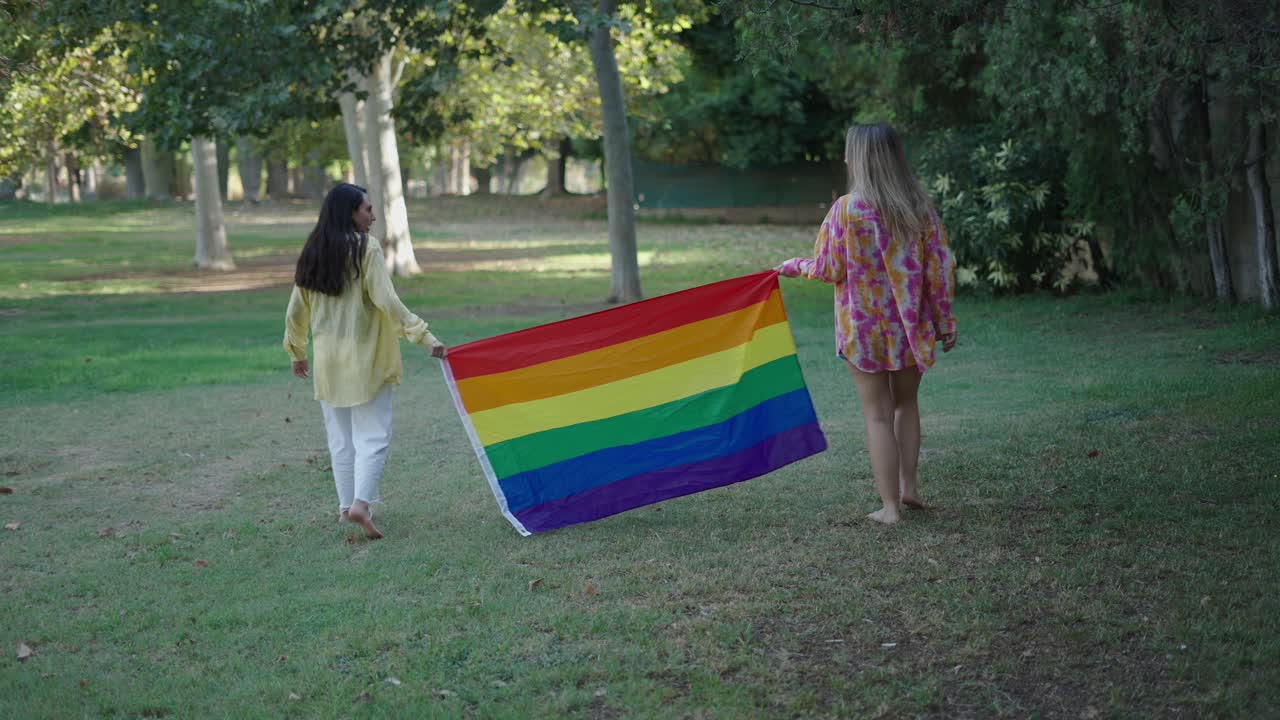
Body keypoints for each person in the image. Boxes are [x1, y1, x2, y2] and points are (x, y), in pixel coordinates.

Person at [774, 123, 957, 525]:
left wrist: (792, 266)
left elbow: (827, 269)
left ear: (857, 158)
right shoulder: (919, 208)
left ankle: (890, 508)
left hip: (864, 330)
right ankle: (909, 489)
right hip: (911, 326)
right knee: (907, 404)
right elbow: (938, 269)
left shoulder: (846, 209)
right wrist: (945, 320)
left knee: (877, 414)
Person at [284, 183, 446, 539]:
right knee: (374, 435)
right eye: (367, 209)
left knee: (341, 439)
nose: (373, 216)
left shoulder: (313, 250)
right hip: (366, 360)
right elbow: (388, 302)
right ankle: (361, 504)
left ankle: (346, 509)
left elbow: (296, 311)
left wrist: (297, 351)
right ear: (350, 212)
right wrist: (424, 336)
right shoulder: (365, 249)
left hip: (328, 364)